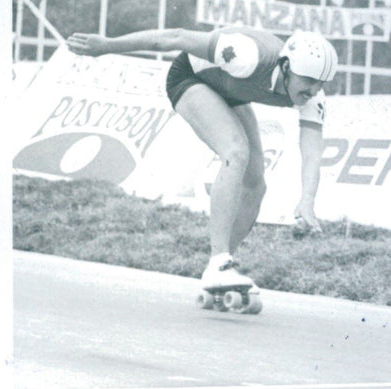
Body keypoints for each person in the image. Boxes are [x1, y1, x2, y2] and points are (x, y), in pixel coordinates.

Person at [67, 26, 337, 291]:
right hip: (190, 77)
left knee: (256, 185)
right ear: (287, 67)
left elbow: (312, 151)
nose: (313, 91)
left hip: (231, 91)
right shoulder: (247, 56)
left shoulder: (313, 99)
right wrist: (107, 46)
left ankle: (220, 268)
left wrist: (307, 201)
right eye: (309, 82)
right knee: (235, 152)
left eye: (320, 84)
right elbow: (175, 37)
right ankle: (219, 262)